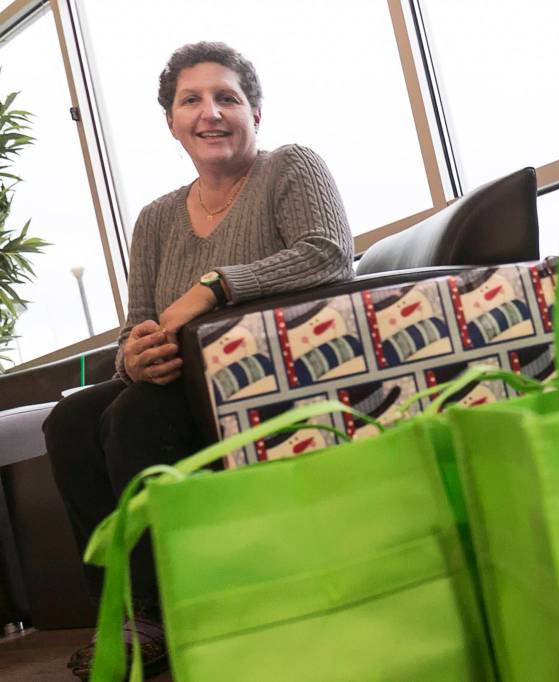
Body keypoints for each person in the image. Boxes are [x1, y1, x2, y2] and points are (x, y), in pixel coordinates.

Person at [42, 41, 353, 680]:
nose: (210, 113)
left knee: (134, 416)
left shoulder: (291, 168)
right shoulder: (155, 220)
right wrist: (135, 355)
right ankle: (124, 614)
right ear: (172, 122)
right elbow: (137, 327)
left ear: (255, 115)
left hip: (269, 378)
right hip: (174, 384)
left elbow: (327, 254)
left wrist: (213, 287)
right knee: (70, 420)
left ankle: (167, 611)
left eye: (227, 98)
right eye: (192, 100)